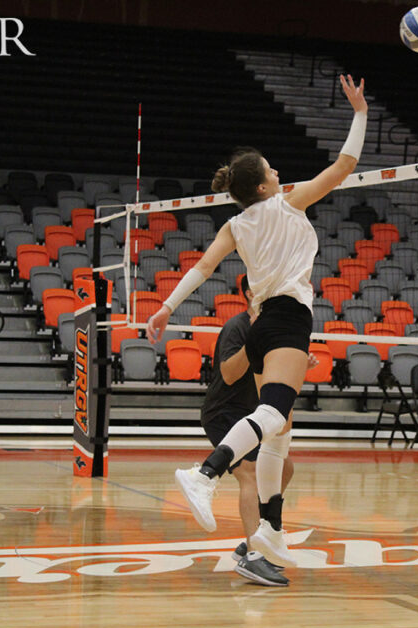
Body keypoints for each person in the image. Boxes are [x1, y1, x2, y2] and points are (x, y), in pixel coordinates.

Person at [147, 74, 368, 567]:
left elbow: (202, 269)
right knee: (272, 415)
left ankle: (270, 529)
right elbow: (346, 165)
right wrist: (360, 114)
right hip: (287, 316)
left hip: (268, 317)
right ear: (264, 184)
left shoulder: (236, 223)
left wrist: (165, 308)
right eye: (272, 169)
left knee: (280, 433)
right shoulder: (288, 203)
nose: (279, 171)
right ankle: (204, 474)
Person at [201, 277, 296, 587]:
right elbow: (229, 375)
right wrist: (253, 341)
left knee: (285, 467)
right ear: (249, 293)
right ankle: (254, 557)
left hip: (252, 413)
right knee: (249, 473)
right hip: (223, 411)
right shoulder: (237, 327)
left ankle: (255, 536)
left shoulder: (277, 329)